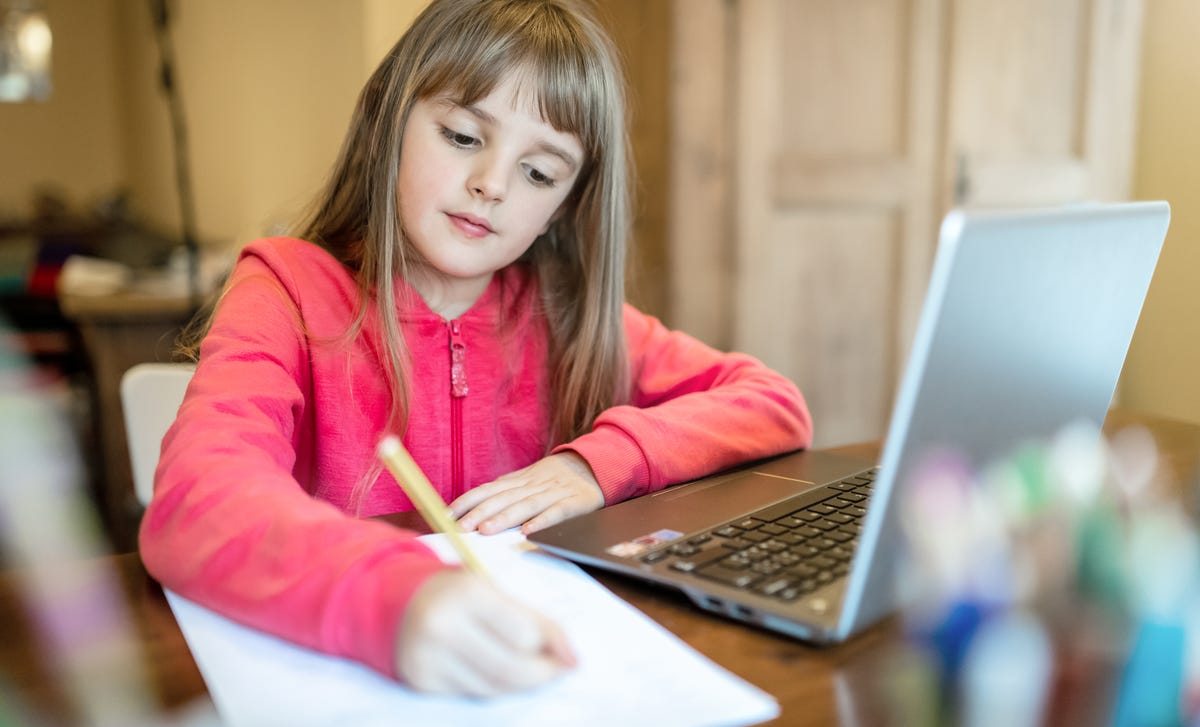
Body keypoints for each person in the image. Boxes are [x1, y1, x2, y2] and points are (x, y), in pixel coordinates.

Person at [139, 0, 812, 699]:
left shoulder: (570, 316)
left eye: (540, 173)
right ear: (388, 121)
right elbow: (197, 497)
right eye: (463, 136)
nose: (492, 183)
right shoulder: (285, 288)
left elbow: (772, 403)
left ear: (566, 206)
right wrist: (392, 597)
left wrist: (598, 463)